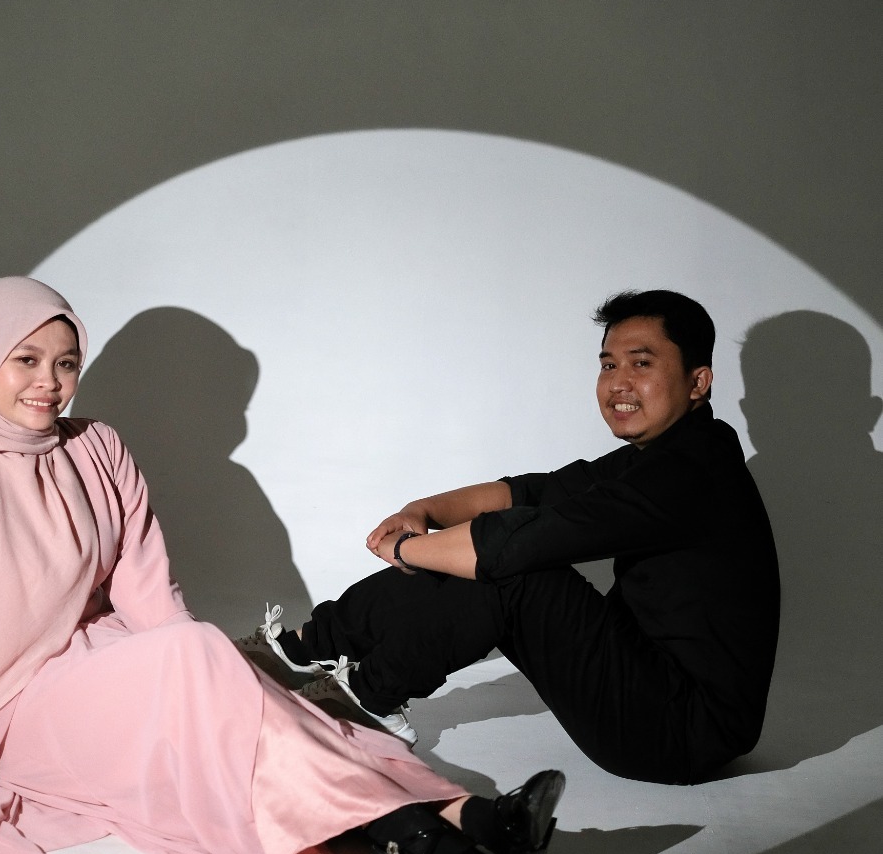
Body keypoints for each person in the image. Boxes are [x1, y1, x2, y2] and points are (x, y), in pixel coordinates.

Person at [0, 277, 565, 854]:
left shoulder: (96, 447)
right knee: (208, 671)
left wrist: (204, 689)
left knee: (232, 696)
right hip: (2, 706)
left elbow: (148, 589)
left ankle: (457, 819)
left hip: (101, 666)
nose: (49, 381)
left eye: (67, 363)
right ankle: (421, 829)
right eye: (26, 360)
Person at [251, 290, 780, 786]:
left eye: (641, 364)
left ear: (697, 382)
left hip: (680, 732)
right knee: (504, 555)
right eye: (607, 365)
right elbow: (532, 492)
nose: (618, 383)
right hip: (658, 690)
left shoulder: (690, 473)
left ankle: (359, 702)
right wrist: (424, 510)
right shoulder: (669, 455)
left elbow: (515, 543)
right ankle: (299, 651)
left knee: (513, 572)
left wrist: (405, 549)